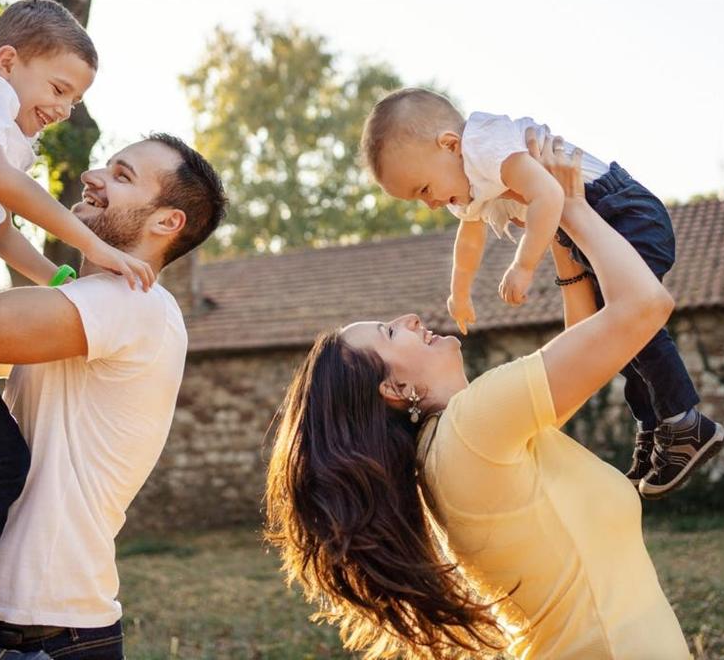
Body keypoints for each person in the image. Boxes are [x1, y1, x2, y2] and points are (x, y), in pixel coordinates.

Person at [266, 130, 690, 659]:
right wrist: (575, 208)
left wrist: (553, 221)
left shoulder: (456, 447)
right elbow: (644, 306)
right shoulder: (472, 428)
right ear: (396, 387)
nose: (410, 318)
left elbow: (585, 340)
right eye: (390, 332)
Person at [0, 91, 225, 659]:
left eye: (122, 174)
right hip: (15, 622)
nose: (92, 173)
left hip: (52, 634)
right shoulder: (82, 306)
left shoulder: (132, 303)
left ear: (167, 221)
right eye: (107, 163)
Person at [360, 87, 724, 498]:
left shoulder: (484, 144)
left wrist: (524, 265)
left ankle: (683, 422)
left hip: (622, 211)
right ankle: (655, 424)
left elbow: (549, 195)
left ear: (449, 144)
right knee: (620, 334)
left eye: (423, 189)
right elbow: (470, 238)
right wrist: (459, 292)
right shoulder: (469, 179)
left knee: (630, 324)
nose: (428, 205)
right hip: (591, 227)